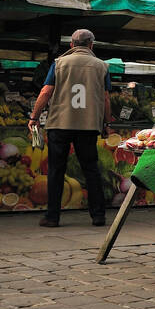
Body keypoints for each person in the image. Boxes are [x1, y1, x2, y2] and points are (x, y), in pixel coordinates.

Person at [28, 30, 112, 227]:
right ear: (91, 45)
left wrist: (34, 116)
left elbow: (46, 91)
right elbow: (106, 97)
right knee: (91, 169)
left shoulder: (59, 63)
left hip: (60, 124)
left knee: (56, 170)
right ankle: (98, 215)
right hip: (88, 125)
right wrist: (107, 123)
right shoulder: (102, 66)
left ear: (72, 45)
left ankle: (52, 217)